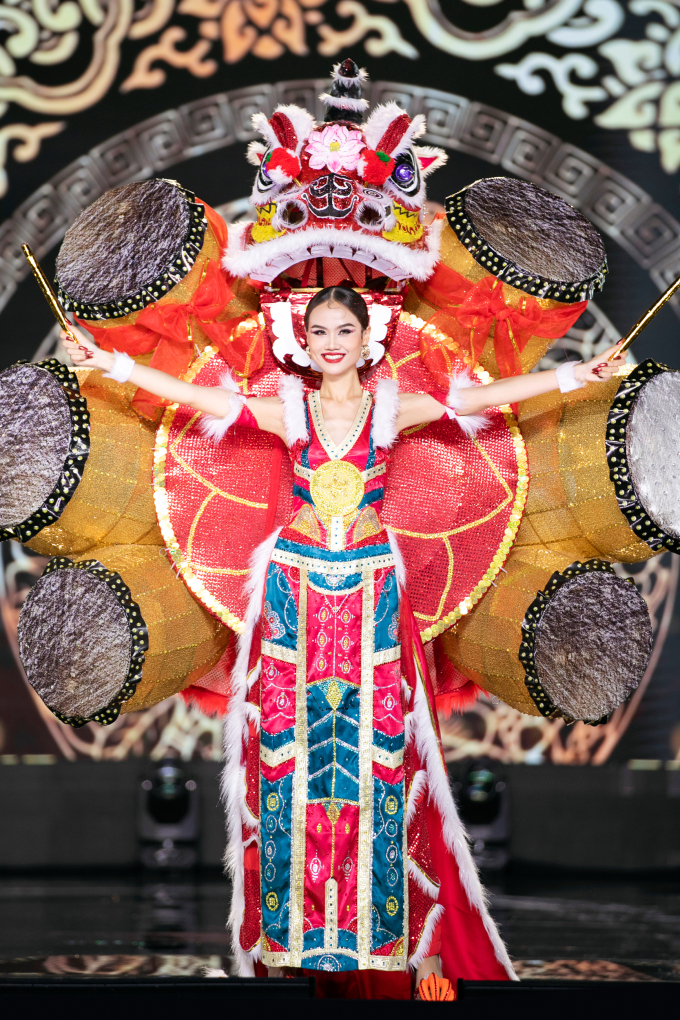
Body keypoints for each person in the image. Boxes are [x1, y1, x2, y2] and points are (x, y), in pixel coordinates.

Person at [62, 286, 625, 997]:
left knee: (380, 761)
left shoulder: (391, 409)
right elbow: (201, 401)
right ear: (305, 339)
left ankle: (379, 933)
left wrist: (581, 375)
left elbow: (498, 396)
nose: (331, 342)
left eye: (344, 329)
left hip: (370, 599)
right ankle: (300, 936)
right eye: (319, 330)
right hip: (295, 597)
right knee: (291, 762)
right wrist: (110, 363)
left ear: (369, 338)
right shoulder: (291, 410)